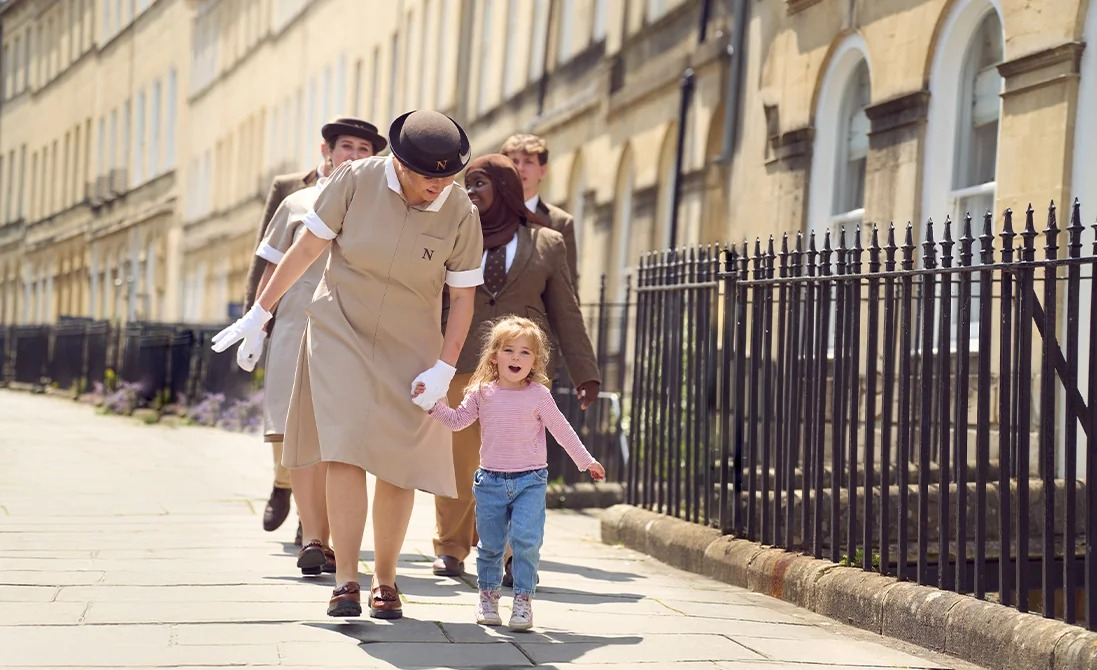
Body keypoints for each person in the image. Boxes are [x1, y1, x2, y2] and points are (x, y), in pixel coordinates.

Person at [212, 110, 483, 619]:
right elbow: (308, 246)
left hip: (412, 342)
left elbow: (463, 299)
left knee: (398, 463)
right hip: (339, 329)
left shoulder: (461, 211)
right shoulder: (355, 180)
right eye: (429, 177)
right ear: (399, 164)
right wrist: (259, 312)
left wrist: (446, 367)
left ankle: (385, 580)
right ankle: (346, 582)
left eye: (448, 177)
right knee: (344, 449)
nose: (439, 186)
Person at [430, 154, 601, 588]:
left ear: (504, 187)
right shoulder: (455, 235)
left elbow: (565, 309)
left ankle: (510, 555)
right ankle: (450, 548)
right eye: (467, 185)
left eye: (480, 183)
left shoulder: (546, 243)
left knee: (514, 464)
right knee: (457, 460)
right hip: (462, 362)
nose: (470, 193)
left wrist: (585, 371)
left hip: (521, 374)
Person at [248, 117, 383, 577]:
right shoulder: (297, 202)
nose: (355, 156)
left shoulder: (380, 207)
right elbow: (271, 265)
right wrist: (256, 320)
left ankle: (316, 531)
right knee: (290, 423)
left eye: (365, 149)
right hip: (294, 325)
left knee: (335, 433)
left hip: (349, 330)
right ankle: (301, 511)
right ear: (327, 151)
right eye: (347, 147)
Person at [414, 316, 606, 631]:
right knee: (490, 545)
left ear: (535, 361)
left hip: (530, 481)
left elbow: (563, 431)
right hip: (489, 481)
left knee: (526, 542)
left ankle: (523, 602)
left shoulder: (539, 396)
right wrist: (432, 405)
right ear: (494, 356)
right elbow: (458, 421)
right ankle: (488, 598)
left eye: (525, 352)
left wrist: (587, 461)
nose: (516, 358)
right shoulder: (481, 392)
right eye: (509, 350)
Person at [500, 133, 579, 290]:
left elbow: (568, 287)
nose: (520, 168)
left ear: (543, 171)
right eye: (514, 161)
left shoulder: (560, 223)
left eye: (528, 162)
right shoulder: (482, 216)